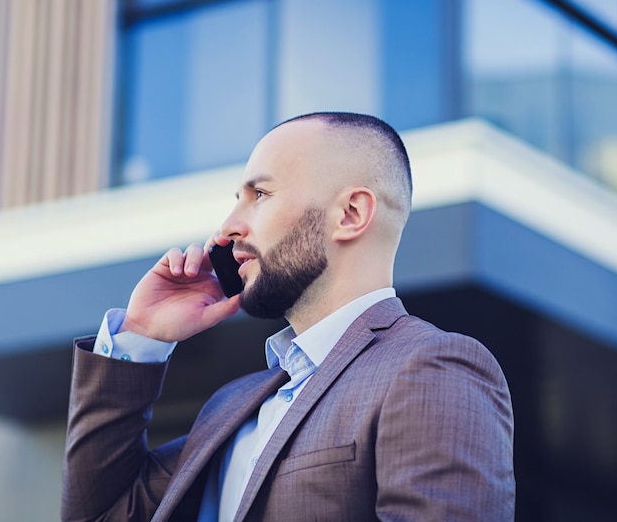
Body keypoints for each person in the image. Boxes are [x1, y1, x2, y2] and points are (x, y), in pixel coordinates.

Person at [61, 112, 515, 522]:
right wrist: (141, 338)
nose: (226, 228)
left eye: (259, 194)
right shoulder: (231, 406)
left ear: (351, 214)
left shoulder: (433, 367)